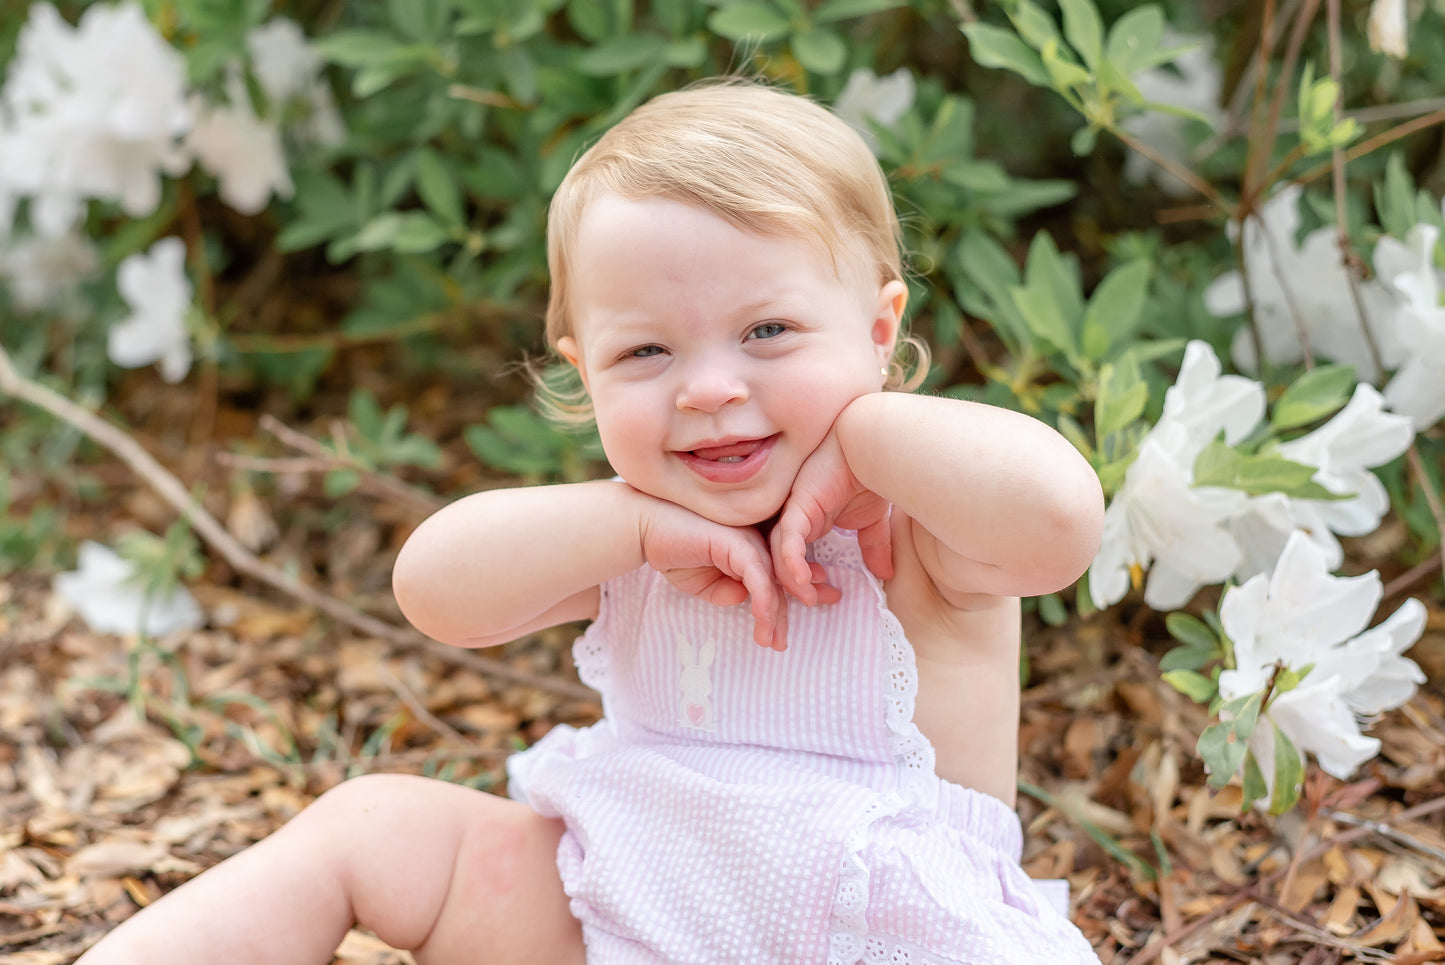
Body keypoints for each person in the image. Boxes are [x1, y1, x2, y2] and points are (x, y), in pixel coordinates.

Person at [77, 79, 1105, 965]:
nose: (707, 387)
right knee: (374, 824)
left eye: (767, 331)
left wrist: (869, 436)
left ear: (878, 330)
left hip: (872, 927)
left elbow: (1059, 519)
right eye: (644, 354)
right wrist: (632, 529)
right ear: (584, 372)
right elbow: (431, 588)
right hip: (624, 915)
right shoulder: (636, 533)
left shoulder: (922, 524)